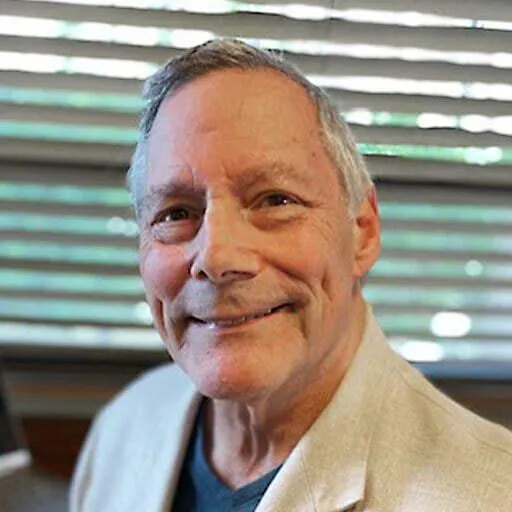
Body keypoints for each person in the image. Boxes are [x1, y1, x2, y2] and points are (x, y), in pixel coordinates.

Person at [70, 39, 512, 511]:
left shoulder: (488, 494)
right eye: (176, 212)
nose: (218, 257)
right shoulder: (124, 426)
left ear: (361, 232)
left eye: (276, 200)